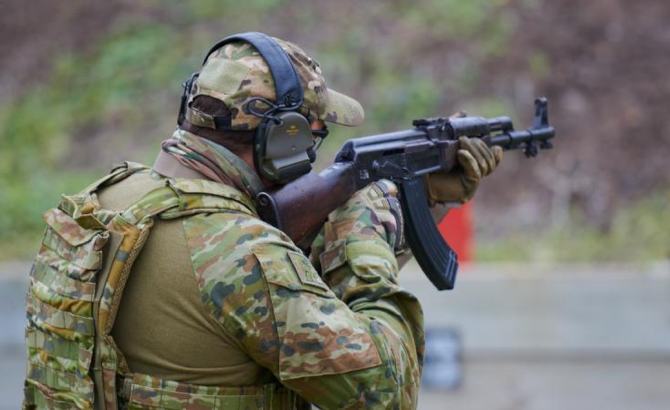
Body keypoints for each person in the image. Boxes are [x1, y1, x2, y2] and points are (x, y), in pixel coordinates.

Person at [23, 32, 502, 410]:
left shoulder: (100, 204)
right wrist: (363, 230)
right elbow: (385, 390)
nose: (314, 153)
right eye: (314, 134)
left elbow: (276, 290)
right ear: (283, 138)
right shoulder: (239, 255)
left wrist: (426, 204)